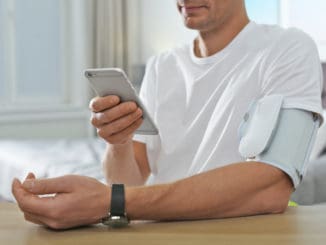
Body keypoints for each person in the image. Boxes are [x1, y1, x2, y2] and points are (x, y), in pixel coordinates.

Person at [12, 0, 323, 229]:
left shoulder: (288, 48)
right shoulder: (162, 66)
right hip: (157, 228)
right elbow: (128, 180)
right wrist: (118, 143)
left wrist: (112, 202)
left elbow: (271, 186)